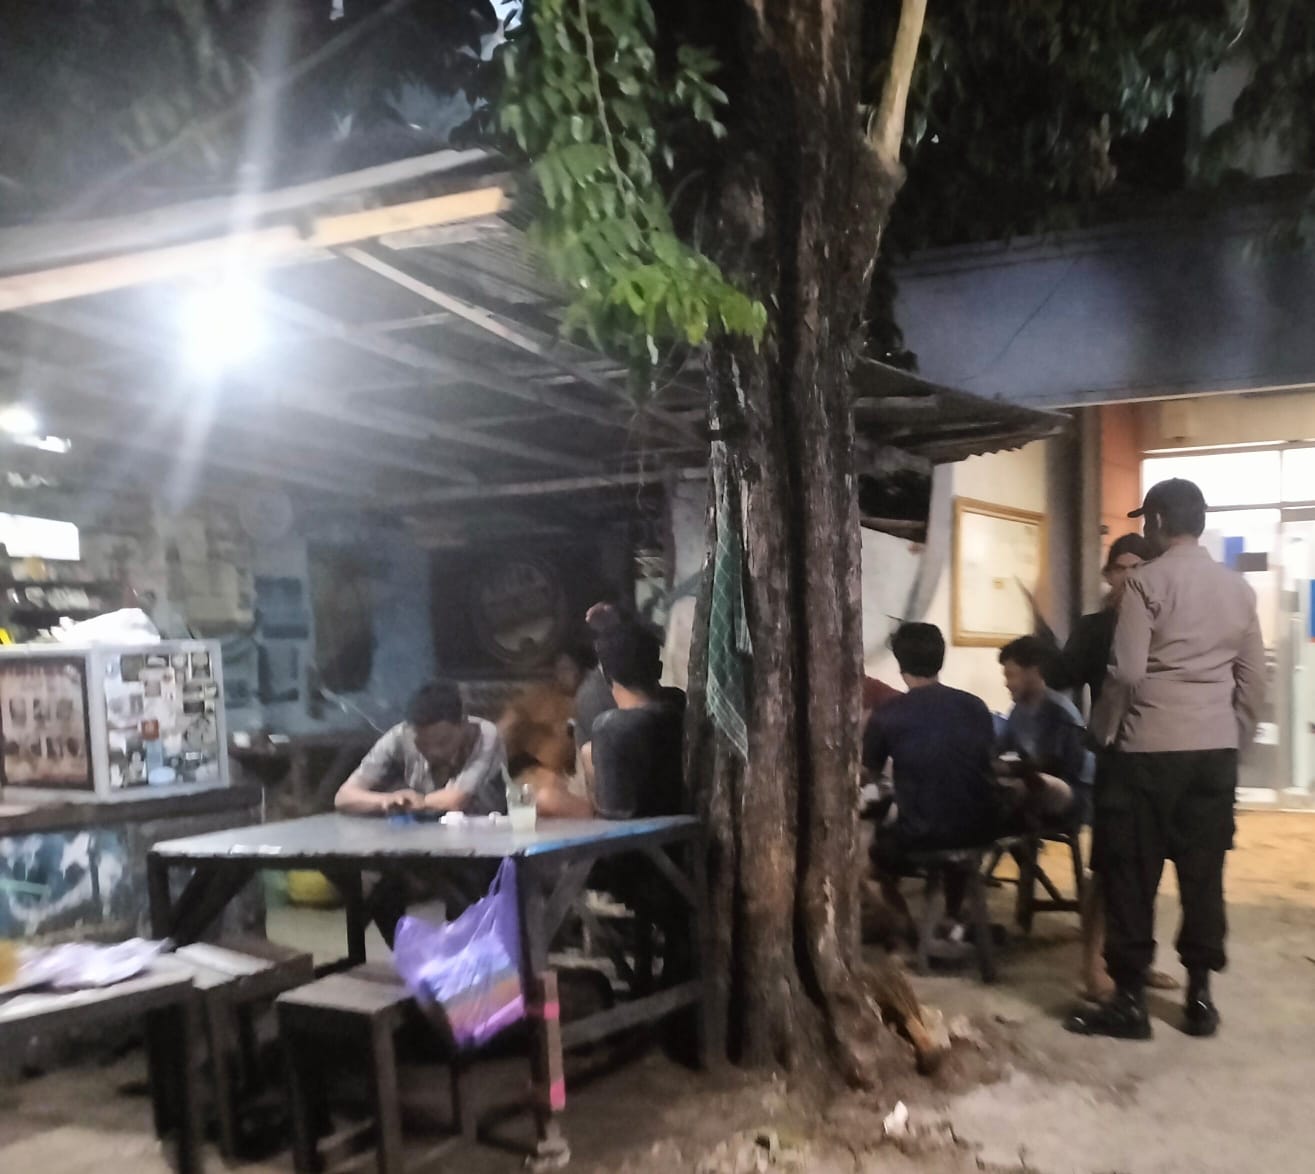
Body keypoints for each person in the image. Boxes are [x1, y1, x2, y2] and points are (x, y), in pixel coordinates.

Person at [1067, 479, 1265, 1040]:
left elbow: (1128, 672)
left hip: (1147, 750)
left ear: (1155, 522)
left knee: (1132, 873)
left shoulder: (1145, 582)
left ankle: (1129, 1003)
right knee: (1204, 874)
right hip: (1213, 753)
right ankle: (1199, 999)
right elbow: (1252, 680)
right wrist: (1233, 737)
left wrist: (1103, 729)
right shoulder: (1238, 589)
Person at [862, 623, 1000, 929]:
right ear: (941, 658)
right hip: (982, 830)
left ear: (899, 663)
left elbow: (868, 773)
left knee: (867, 863)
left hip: (922, 835)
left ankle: (904, 931)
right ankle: (952, 916)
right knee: (953, 811)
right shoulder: (975, 706)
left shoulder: (888, 714)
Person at [335, 680, 506, 816]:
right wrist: (388, 800)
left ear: (463, 725)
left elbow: (455, 800)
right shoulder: (399, 736)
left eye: (443, 742)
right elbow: (344, 797)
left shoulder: (485, 735)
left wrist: (415, 803)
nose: (433, 752)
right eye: (422, 744)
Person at [589, 619, 686, 820]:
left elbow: (613, 819)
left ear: (607, 676)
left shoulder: (611, 729)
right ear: (659, 669)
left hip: (645, 839)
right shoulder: (679, 706)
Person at [1048, 533, 1155, 712]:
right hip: (1108, 723)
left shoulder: (1163, 623)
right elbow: (1063, 676)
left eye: (1136, 567)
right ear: (1109, 575)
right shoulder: (1092, 628)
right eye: (1120, 569)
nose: (1128, 576)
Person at [995, 636, 1087, 825]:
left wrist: (1008, 768)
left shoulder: (1060, 712)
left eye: (1011, 675)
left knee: (1026, 787)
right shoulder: (1018, 711)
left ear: (1033, 671)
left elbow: (1057, 765)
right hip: (1033, 782)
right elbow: (1000, 746)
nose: (1007, 683)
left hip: (1069, 791)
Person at [499, 645, 596, 817]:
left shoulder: (591, 699)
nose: (560, 674)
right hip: (533, 769)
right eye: (558, 669)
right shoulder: (541, 696)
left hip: (575, 775)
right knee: (544, 792)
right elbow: (507, 725)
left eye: (567, 669)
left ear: (583, 671)